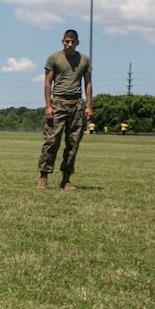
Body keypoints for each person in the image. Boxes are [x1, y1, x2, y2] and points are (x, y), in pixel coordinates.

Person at [36, 29, 92, 191]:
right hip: (58, 102)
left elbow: (88, 83)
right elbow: (48, 83)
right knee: (51, 141)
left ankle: (66, 179)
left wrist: (89, 106)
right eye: (67, 41)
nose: (69, 44)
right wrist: (48, 105)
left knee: (73, 143)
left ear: (77, 43)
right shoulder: (54, 58)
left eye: (72, 42)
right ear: (62, 41)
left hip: (77, 103)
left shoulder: (84, 60)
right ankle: (43, 177)